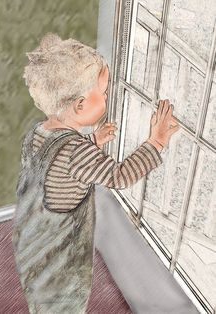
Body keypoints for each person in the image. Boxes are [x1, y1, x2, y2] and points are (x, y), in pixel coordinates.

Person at [12, 32, 180, 314]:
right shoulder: (77, 152)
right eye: (101, 94)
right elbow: (120, 176)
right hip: (61, 259)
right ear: (80, 105)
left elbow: (57, 164)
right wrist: (157, 141)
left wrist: (93, 141)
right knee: (64, 306)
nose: (105, 98)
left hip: (32, 243)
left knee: (41, 299)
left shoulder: (37, 134)